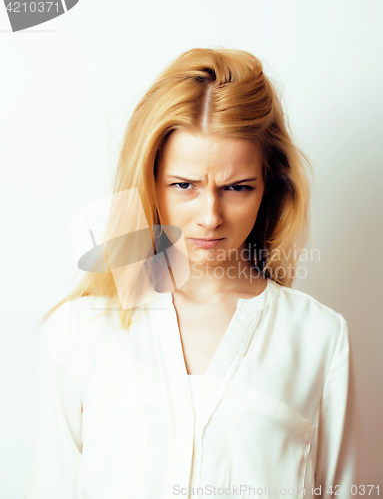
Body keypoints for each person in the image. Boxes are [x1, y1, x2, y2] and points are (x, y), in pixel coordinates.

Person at [23, 47, 358, 499]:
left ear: (270, 186)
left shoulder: (319, 336)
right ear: (150, 183)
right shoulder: (81, 330)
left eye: (237, 187)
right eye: (185, 185)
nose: (210, 216)